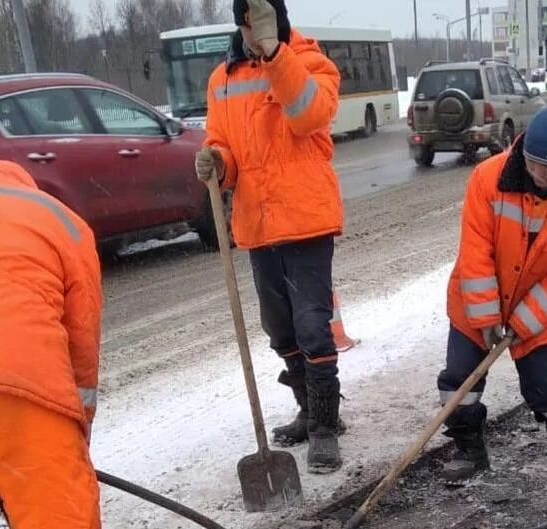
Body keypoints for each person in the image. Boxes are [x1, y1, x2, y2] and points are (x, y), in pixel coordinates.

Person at [195, 0, 345, 474]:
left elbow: (308, 114)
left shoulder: (311, 62)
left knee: (312, 326)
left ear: (279, 19)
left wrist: (275, 53)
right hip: (256, 224)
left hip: (305, 221)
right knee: (279, 329)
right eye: (246, 20)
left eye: (261, 17)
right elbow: (223, 142)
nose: (252, 29)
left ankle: (326, 427)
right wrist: (216, 163)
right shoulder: (223, 79)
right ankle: (307, 408)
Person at [437, 106, 547, 484]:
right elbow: (475, 250)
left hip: (539, 311)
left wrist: (523, 322)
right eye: (532, 164)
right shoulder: (488, 178)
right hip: (475, 301)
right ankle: (469, 448)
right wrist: (485, 318)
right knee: (458, 381)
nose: (539, 175)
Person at [0, 161, 103, 527]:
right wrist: (75, 429)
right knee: (57, 514)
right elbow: (81, 343)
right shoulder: (61, 221)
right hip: (22, 385)